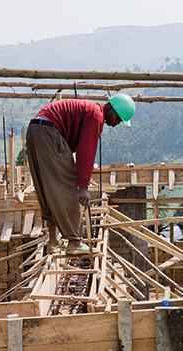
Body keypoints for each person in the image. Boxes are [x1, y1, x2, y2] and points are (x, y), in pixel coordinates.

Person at [26, 94, 135, 255]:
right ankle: (74, 242)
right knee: (68, 186)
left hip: (35, 129)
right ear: (111, 109)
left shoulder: (91, 111)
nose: (117, 123)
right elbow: (86, 151)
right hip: (48, 132)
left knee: (47, 188)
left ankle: (54, 241)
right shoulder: (96, 117)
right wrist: (83, 186)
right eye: (118, 119)